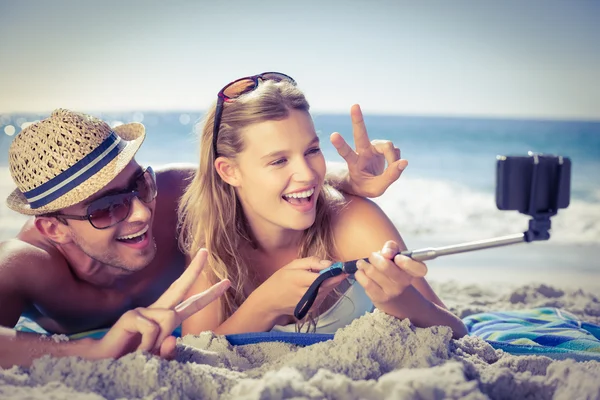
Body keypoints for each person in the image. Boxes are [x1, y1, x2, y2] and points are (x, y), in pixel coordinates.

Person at [0, 106, 404, 367]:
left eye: (140, 184)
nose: (142, 212)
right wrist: (89, 351)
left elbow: (255, 181)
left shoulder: (174, 191)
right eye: (108, 208)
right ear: (54, 227)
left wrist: (345, 180)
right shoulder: (25, 265)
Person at [178, 72, 468, 338]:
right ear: (230, 171)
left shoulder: (351, 220)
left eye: (312, 150)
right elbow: (196, 352)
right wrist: (265, 305)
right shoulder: (214, 248)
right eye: (279, 160)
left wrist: (401, 300)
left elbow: (457, 332)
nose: (307, 174)